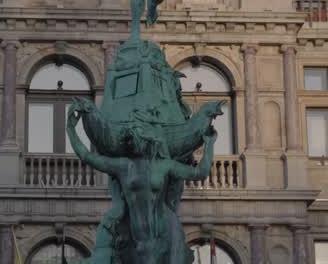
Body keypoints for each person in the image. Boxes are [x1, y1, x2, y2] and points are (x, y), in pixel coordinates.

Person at [68, 101, 217, 263]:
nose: (132, 139)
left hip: (166, 226)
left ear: (148, 140)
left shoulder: (163, 165)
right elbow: (87, 156)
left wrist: (209, 145)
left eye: (136, 135)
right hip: (137, 229)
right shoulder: (124, 166)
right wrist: (71, 129)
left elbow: (200, 172)